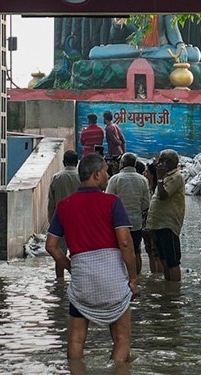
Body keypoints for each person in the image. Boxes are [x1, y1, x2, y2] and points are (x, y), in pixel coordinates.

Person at [46, 153, 139, 363]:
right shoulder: (112, 202)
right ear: (97, 175)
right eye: (106, 170)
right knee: (122, 339)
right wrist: (133, 279)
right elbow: (125, 243)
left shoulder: (64, 206)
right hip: (113, 281)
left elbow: (51, 246)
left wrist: (71, 268)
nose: (108, 174)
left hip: (82, 281)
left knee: (76, 340)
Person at [144, 149, 186, 281]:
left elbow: (163, 196)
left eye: (162, 160)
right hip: (158, 225)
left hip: (168, 225)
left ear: (171, 162)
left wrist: (160, 178)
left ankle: (174, 293)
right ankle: (168, 290)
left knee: (172, 262)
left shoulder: (176, 177)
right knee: (164, 260)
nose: (159, 163)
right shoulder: (166, 176)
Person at [104, 153, 149, 276]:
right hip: (136, 223)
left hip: (118, 224)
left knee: (118, 251)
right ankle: (136, 278)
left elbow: (108, 201)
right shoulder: (143, 180)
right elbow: (146, 204)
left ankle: (121, 277)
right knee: (136, 251)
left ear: (122, 164)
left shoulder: (115, 179)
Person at [47, 150, 81, 279]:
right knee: (78, 251)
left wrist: (52, 221)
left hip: (60, 220)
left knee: (59, 252)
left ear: (63, 162)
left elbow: (51, 202)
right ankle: (77, 277)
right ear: (77, 162)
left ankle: (60, 280)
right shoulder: (82, 177)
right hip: (79, 221)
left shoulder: (57, 177)